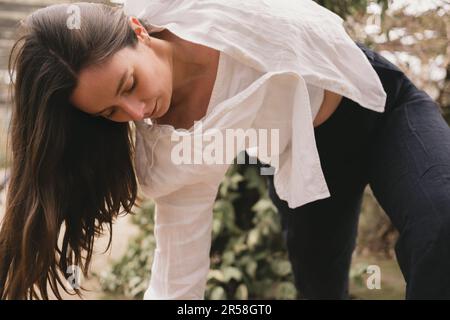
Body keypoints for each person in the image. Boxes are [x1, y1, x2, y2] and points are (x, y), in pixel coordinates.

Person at [0, 0, 448, 300]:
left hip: (380, 103)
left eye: (130, 84)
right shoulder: (172, 147)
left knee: (441, 222)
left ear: (137, 29)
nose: (137, 112)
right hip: (304, 163)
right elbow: (178, 269)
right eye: (111, 113)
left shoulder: (186, 6)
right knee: (320, 288)